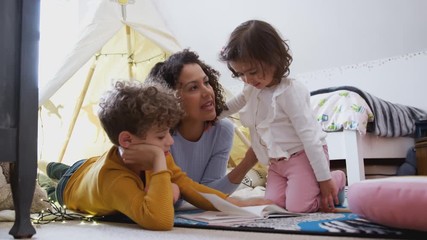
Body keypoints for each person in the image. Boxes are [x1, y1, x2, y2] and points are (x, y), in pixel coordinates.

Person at [43, 80, 268, 231]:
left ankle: (59, 167)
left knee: (174, 188)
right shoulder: (115, 180)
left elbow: (188, 186)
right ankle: (53, 174)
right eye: (161, 137)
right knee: (51, 186)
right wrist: (159, 163)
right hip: (70, 187)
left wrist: (234, 202)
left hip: (90, 164)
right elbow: (159, 220)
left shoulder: (152, 152)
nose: (170, 142)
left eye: (169, 133)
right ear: (127, 141)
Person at [219, 19, 346, 213]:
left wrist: (324, 179)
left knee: (299, 208)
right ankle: (306, 188)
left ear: (274, 59)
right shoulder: (251, 88)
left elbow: (309, 137)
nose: (247, 80)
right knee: (274, 205)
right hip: (276, 163)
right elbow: (235, 104)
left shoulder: (289, 92)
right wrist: (212, 115)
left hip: (302, 158)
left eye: (252, 72)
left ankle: (337, 177)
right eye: (240, 74)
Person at [123, 49, 258, 195]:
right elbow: (167, 194)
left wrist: (248, 162)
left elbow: (211, 191)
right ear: (170, 98)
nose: (207, 92)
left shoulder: (222, 130)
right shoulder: (160, 137)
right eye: (193, 87)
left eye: (206, 82)